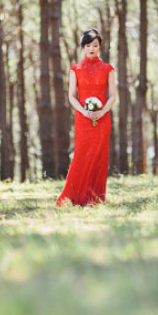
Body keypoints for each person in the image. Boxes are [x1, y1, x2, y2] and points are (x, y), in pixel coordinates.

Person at [56, 28, 117, 206]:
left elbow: (113, 96)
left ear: (100, 47)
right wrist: (84, 112)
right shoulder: (75, 69)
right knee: (81, 155)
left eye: (95, 45)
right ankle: (74, 197)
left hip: (102, 119)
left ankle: (95, 198)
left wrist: (102, 111)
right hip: (83, 119)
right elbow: (71, 97)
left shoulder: (108, 69)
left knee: (99, 157)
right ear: (83, 47)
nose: (91, 49)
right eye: (88, 45)